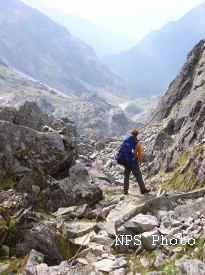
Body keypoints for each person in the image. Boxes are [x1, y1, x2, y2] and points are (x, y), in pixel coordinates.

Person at [123, 128, 151, 195]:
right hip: (133, 162)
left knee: (126, 176)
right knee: (138, 176)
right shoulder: (137, 143)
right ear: (136, 135)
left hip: (125, 161)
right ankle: (143, 189)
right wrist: (140, 163)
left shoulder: (125, 139)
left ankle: (125, 190)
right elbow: (140, 154)